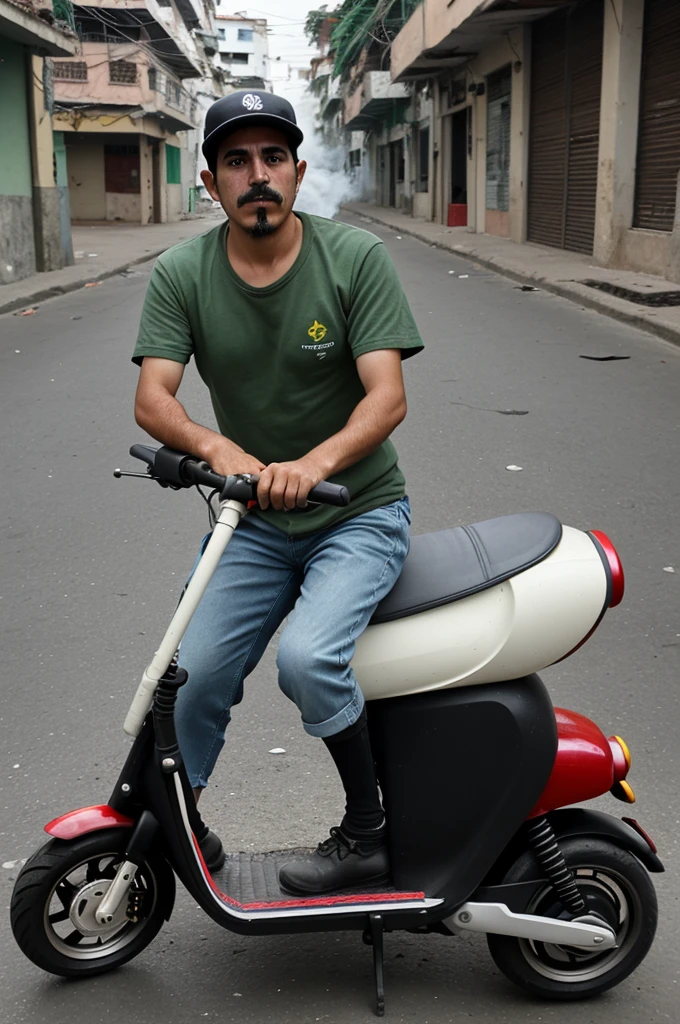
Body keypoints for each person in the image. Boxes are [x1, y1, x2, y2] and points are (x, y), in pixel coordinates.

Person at [132, 90, 423, 895]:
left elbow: (386, 397)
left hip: (356, 514)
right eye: (236, 161)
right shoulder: (181, 272)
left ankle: (368, 831)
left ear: (297, 172)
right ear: (210, 182)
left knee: (308, 660)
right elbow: (154, 398)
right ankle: (181, 825)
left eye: (271, 159)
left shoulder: (356, 259)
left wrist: (312, 465)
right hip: (253, 521)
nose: (256, 176)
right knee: (186, 675)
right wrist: (219, 448)